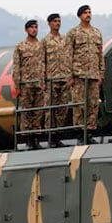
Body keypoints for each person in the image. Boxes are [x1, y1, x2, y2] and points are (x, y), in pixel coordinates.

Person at [65, 4, 104, 143]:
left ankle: (90, 133)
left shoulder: (97, 33)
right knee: (80, 105)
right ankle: (80, 134)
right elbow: (67, 56)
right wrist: (69, 76)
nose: (88, 14)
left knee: (93, 105)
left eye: (90, 12)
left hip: (94, 75)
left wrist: (101, 74)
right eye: (85, 12)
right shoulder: (73, 33)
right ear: (80, 16)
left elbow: (100, 55)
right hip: (79, 75)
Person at [12, 19, 45, 150]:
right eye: (31, 27)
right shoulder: (20, 47)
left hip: (39, 83)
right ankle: (28, 139)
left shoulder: (41, 45)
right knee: (27, 112)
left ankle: (36, 138)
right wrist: (17, 86)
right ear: (26, 30)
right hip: (26, 84)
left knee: (38, 112)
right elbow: (16, 67)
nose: (34, 30)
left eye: (36, 27)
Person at [41, 12, 70, 147]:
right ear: (49, 24)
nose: (57, 23)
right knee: (50, 109)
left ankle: (58, 136)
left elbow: (69, 58)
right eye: (54, 21)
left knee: (62, 109)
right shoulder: (45, 41)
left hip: (64, 78)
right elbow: (41, 61)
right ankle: (51, 137)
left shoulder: (65, 40)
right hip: (50, 79)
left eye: (59, 21)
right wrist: (43, 80)